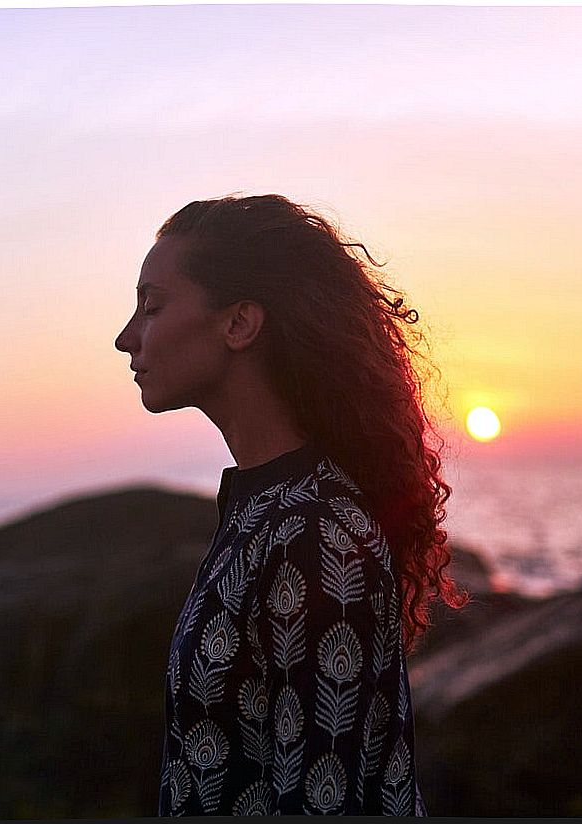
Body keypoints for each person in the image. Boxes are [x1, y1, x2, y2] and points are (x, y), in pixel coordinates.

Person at [113, 194, 468, 816]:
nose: (125, 338)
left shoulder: (316, 535)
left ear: (239, 324)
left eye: (153, 306)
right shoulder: (267, 513)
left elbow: (323, 800)